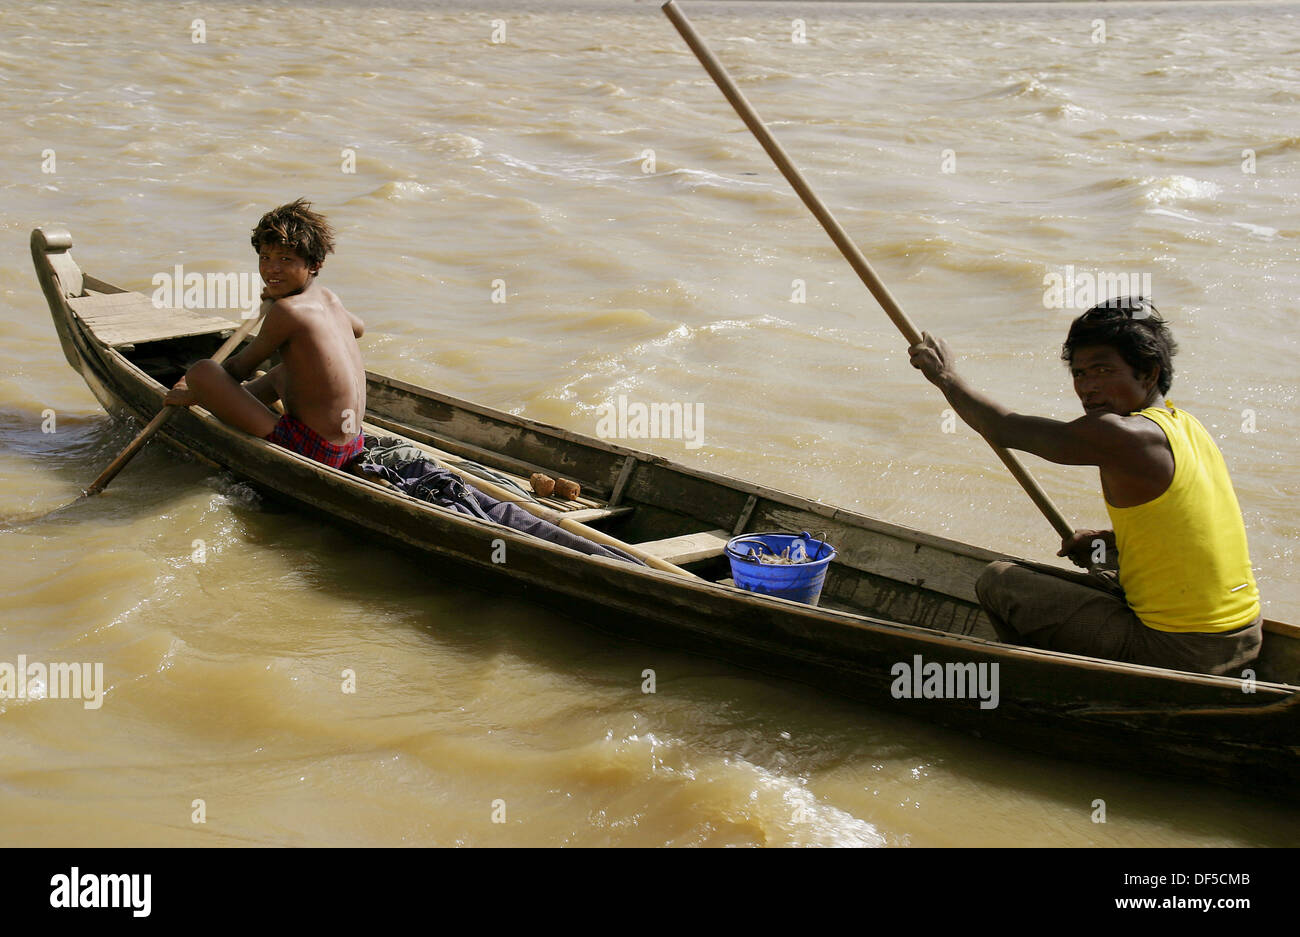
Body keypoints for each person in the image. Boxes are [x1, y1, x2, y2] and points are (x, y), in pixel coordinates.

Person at [907, 297, 1261, 676]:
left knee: (999, 582)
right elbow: (1189, 524)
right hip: (1245, 635)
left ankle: (1038, 686)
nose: (1087, 388)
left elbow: (1003, 427)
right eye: (1079, 374)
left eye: (1102, 370)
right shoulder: (1185, 425)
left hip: (1181, 651)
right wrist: (1110, 542)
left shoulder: (1122, 435)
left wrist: (945, 377)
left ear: (1149, 373)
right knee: (1097, 563)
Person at [164, 199, 367, 469]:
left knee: (202, 371)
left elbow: (238, 367)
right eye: (265, 258)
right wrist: (281, 292)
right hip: (353, 443)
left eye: (286, 260)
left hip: (315, 450)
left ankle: (215, 401)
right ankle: (237, 403)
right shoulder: (329, 298)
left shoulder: (287, 311)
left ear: (315, 265)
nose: (272, 269)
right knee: (282, 373)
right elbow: (359, 328)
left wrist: (194, 391)